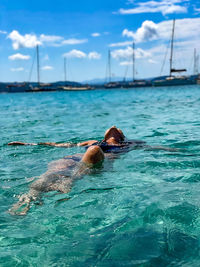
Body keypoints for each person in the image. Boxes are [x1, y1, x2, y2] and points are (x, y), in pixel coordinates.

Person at [9, 145, 104, 215]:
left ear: (120, 137)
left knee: (94, 150)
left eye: (117, 131)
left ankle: (64, 182)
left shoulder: (118, 146)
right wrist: (26, 144)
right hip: (69, 161)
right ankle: (29, 196)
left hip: (85, 160)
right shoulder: (92, 141)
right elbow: (57, 144)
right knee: (55, 172)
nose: (114, 127)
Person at [7, 126, 177, 153]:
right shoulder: (92, 141)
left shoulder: (127, 144)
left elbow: (153, 148)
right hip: (88, 153)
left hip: (108, 158)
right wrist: (28, 144)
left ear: (121, 135)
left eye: (117, 129)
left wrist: (174, 150)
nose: (113, 126)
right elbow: (63, 145)